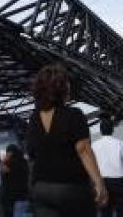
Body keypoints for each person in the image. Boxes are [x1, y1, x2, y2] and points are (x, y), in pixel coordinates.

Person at [26, 64, 108, 217]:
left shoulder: (34, 118)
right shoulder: (74, 114)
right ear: (61, 88)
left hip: (42, 189)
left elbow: (31, 152)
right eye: (66, 82)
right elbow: (83, 149)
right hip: (72, 187)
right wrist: (99, 182)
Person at [90, 116, 123, 217]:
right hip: (119, 181)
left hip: (102, 181)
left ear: (100, 130)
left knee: (105, 210)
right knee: (121, 210)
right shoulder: (119, 143)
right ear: (113, 129)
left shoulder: (94, 145)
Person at [0, 145, 28, 217]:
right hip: (22, 194)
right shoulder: (23, 161)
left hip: (11, 196)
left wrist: (3, 161)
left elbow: (2, 170)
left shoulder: (10, 163)